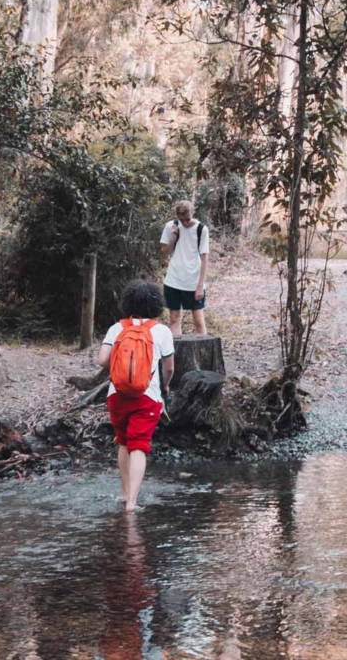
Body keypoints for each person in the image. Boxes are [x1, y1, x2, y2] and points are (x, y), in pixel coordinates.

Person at [98, 280, 177, 511]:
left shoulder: (117, 328)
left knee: (123, 441)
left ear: (127, 303)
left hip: (117, 395)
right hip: (147, 396)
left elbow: (102, 360)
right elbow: (169, 368)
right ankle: (132, 502)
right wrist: (166, 386)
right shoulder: (161, 331)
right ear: (156, 304)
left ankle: (123, 494)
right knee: (139, 445)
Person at [158, 199, 210, 336]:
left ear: (193, 213)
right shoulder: (171, 226)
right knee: (174, 319)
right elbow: (163, 253)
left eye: (187, 219)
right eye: (182, 220)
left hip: (193, 281)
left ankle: (201, 354)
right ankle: (177, 355)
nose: (185, 223)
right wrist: (173, 239)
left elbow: (205, 259)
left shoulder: (201, 229)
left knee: (198, 321)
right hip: (174, 280)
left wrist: (200, 286)